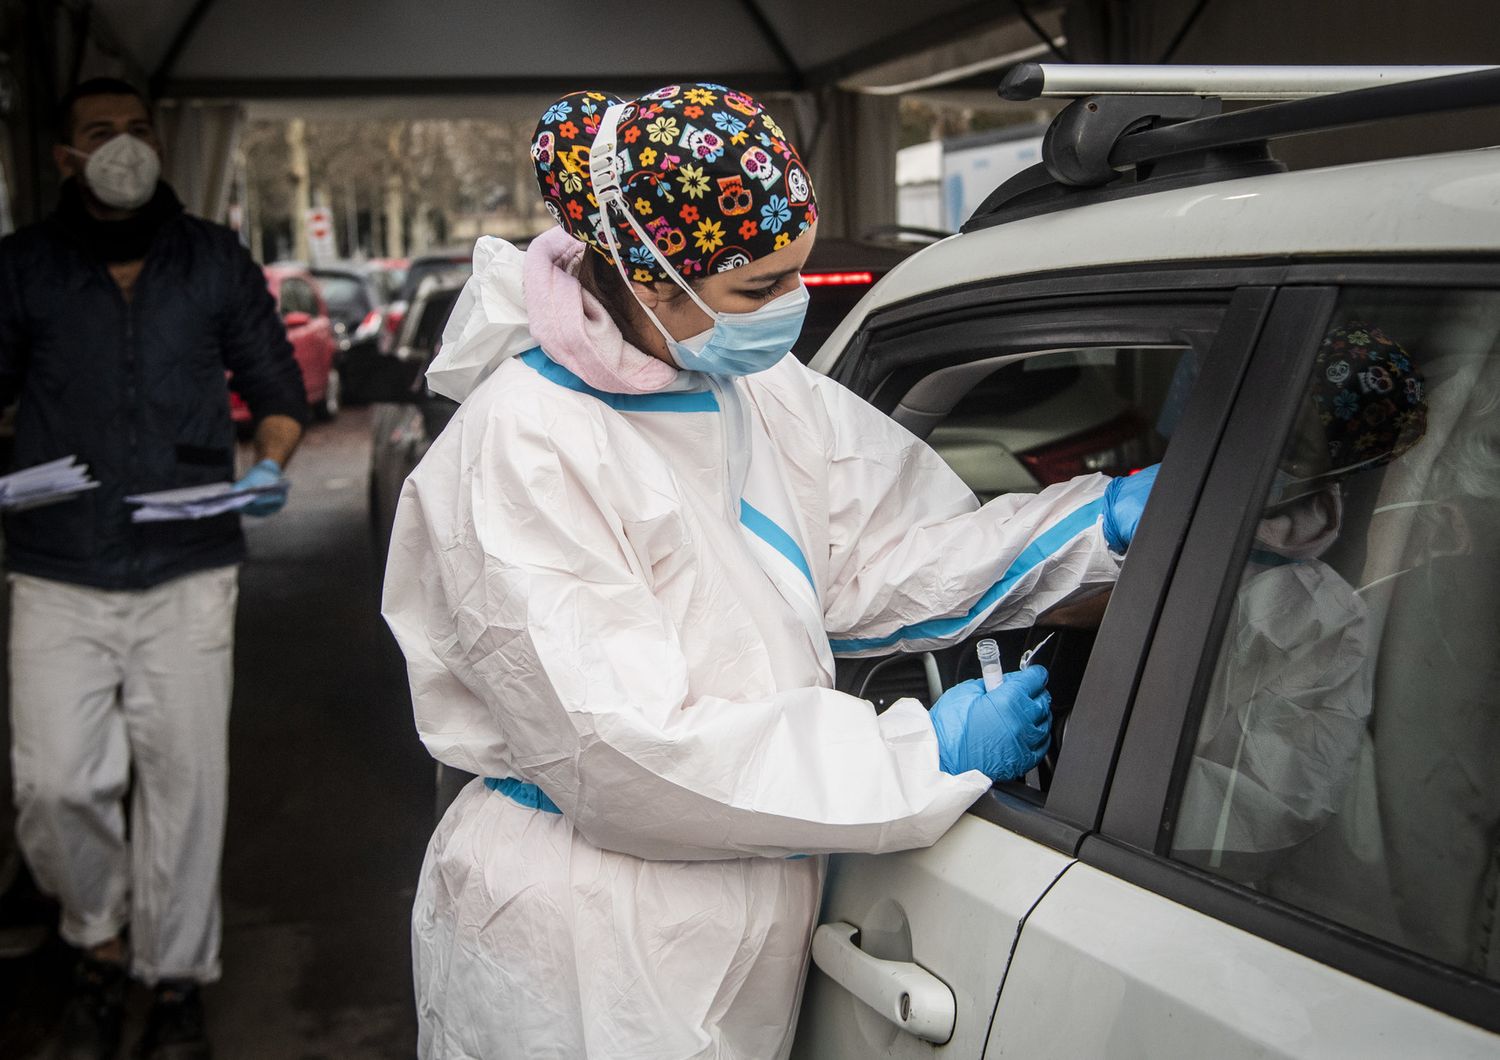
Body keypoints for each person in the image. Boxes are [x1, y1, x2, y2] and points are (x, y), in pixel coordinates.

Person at [381, 83, 1156, 1060]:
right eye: (760, 288)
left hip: (733, 898)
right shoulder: (528, 446)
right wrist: (924, 753)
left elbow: (880, 556)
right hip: (588, 936)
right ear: (648, 276)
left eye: (795, 273)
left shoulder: (742, 382)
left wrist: (1099, 523)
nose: (788, 308)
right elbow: (622, 757)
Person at [0, 78, 307, 1058]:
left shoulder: (211, 257)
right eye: (101, 134)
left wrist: (270, 463)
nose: (123, 147)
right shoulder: (23, 269)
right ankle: (99, 936)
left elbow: (277, 388)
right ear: (63, 157)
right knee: (54, 785)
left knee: (185, 785)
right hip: (56, 564)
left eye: (138, 130)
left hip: (188, 562)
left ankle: (174, 981)